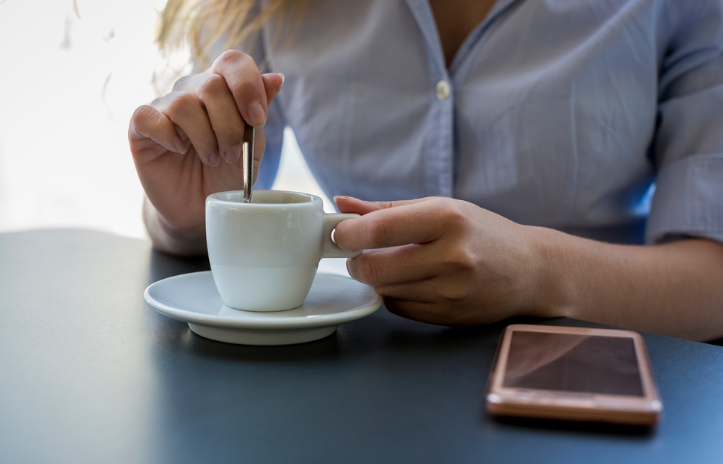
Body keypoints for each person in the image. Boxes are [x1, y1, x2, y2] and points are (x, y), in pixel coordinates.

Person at [128, 0, 723, 341]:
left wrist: (542, 272)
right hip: (365, 385)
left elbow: (712, 276)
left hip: (602, 368)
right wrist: (188, 214)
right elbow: (213, 173)